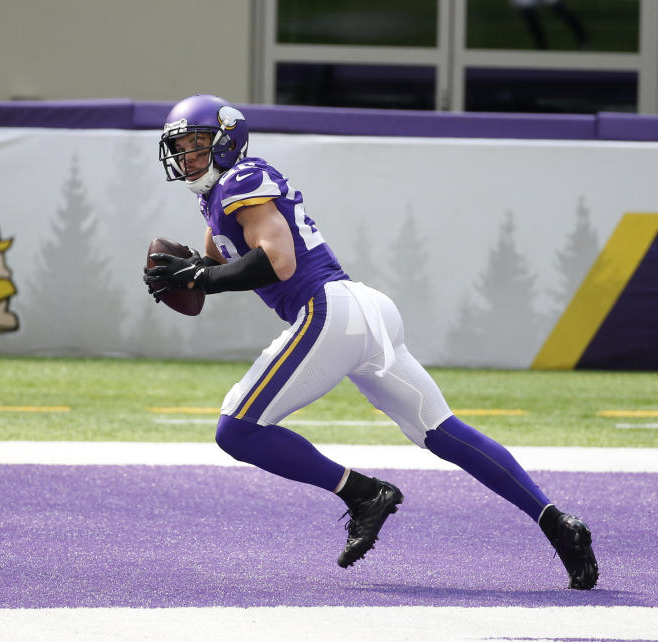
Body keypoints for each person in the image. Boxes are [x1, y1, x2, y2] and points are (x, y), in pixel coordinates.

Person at [143, 94, 598, 590]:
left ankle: (362, 493)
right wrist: (193, 274)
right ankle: (556, 522)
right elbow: (228, 267)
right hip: (364, 311)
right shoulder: (217, 201)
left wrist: (202, 278)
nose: (188, 157)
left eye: (197, 144)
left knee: (237, 430)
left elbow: (278, 261)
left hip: (327, 310)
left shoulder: (241, 180)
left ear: (228, 141)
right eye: (181, 147)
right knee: (442, 432)